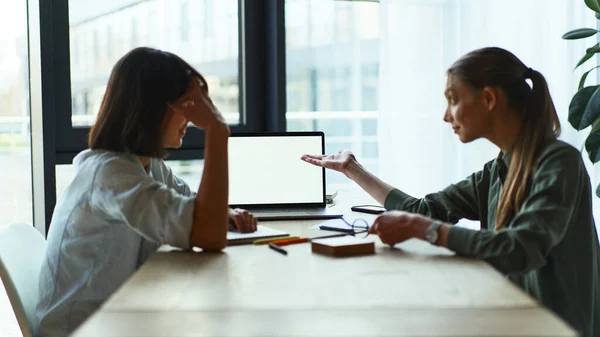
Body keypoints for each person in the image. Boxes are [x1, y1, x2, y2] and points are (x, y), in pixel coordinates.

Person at [301, 47, 600, 337]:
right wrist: (353, 170)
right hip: (514, 316)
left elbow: (519, 248)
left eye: (453, 99)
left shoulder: (559, 163)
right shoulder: (496, 171)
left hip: (554, 328)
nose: (446, 116)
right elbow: (421, 211)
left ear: (488, 98)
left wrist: (428, 230)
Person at [36, 47, 257, 337]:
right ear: (154, 109)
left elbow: (192, 209)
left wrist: (222, 214)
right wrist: (216, 130)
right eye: (187, 105)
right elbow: (208, 234)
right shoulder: (109, 174)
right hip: (83, 330)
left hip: (117, 318)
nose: (191, 119)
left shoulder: (145, 165)